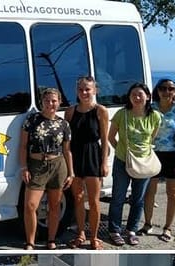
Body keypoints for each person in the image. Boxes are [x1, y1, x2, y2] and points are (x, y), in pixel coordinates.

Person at [19, 87, 74, 250]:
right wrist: (24, 167)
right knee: (30, 205)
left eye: (54, 101)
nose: (50, 104)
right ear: (41, 102)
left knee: (55, 205)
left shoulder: (64, 124)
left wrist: (71, 173)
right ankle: (30, 242)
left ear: (59, 102)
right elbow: (23, 146)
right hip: (36, 165)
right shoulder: (32, 120)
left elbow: (67, 150)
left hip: (58, 165)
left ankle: (51, 240)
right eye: (47, 100)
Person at [107, 82, 161, 246]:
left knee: (138, 199)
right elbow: (111, 137)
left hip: (144, 163)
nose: (137, 98)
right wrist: (122, 152)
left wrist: (140, 153)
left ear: (148, 96)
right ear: (129, 97)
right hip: (123, 161)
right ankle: (114, 230)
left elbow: (152, 137)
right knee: (118, 197)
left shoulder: (155, 116)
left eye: (140, 94)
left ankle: (131, 230)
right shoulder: (121, 114)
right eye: (133, 95)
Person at [140, 78, 175, 243]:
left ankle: (167, 228)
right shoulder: (150, 108)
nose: (166, 92)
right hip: (153, 155)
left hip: (174, 155)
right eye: (163, 88)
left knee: (173, 193)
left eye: (171, 89)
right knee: (149, 192)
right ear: (157, 91)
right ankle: (147, 224)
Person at [64, 76, 109, 250]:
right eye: (81, 89)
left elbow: (104, 139)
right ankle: (80, 233)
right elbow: (66, 140)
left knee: (94, 200)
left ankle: (94, 236)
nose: (84, 92)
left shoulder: (100, 111)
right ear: (77, 91)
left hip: (93, 155)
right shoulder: (70, 111)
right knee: (78, 198)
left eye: (87, 89)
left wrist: (104, 162)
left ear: (95, 90)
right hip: (75, 155)